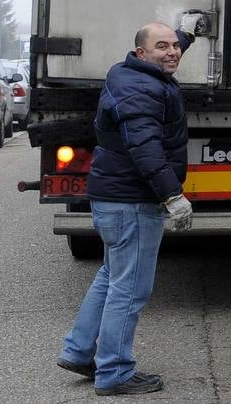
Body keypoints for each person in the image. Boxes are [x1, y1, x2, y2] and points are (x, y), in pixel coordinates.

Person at [58, 21, 196, 396]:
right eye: (162, 47)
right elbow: (145, 149)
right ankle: (115, 371)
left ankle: (79, 350)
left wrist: (188, 33)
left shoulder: (132, 74)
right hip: (131, 202)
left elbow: (166, 45)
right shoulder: (142, 90)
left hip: (115, 199)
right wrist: (172, 196)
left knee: (111, 278)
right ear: (141, 54)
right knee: (130, 289)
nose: (172, 52)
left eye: (175, 46)